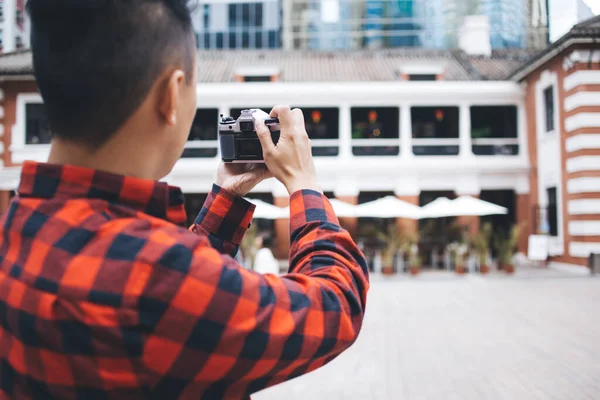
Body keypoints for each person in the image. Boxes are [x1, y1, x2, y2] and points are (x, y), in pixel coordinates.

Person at [0, 1, 369, 399]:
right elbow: (335, 305)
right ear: (171, 94)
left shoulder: (16, 230)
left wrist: (225, 199)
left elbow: (159, 293)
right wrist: (304, 185)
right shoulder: (157, 282)